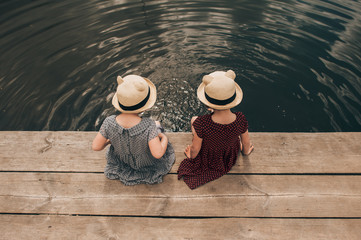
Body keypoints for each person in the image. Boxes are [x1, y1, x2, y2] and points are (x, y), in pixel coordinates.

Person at [92, 74, 175, 185]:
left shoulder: (109, 122)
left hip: (123, 163)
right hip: (146, 164)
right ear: (145, 104)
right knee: (157, 124)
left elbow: (96, 147)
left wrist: (110, 140)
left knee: (155, 125)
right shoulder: (149, 126)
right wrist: (163, 138)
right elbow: (158, 154)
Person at [177, 70, 254, 190]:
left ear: (209, 104)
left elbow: (196, 149)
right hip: (229, 154)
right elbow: (246, 142)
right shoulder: (240, 119)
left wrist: (191, 156)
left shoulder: (202, 123)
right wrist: (246, 152)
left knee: (193, 120)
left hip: (210, 154)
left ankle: (198, 134)